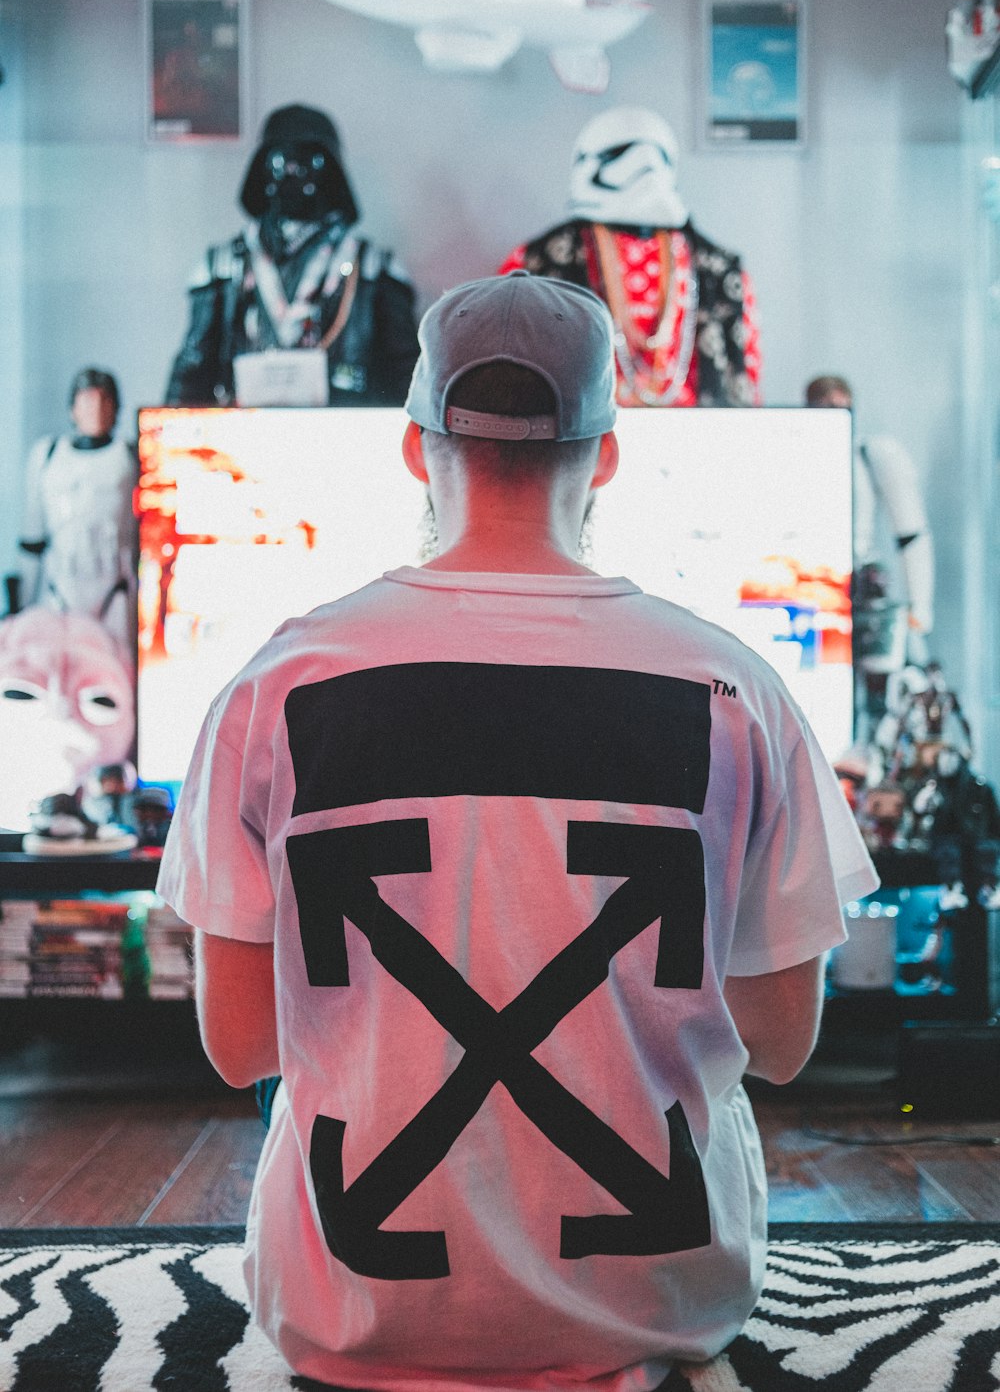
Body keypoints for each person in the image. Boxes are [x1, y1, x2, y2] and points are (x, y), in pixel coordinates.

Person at [157, 271, 876, 1389]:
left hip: (348, 1313)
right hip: (655, 1305)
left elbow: (238, 1045)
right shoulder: (733, 687)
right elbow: (784, 1044)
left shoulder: (278, 685)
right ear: (609, 451)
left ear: (412, 444)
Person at [499, 106, 761, 407]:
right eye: (623, 156)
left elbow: (746, 380)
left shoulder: (719, 271)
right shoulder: (534, 265)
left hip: (697, 441)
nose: (642, 167)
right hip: (581, 444)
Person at [165, 103, 419, 407]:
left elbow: (407, 380)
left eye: (310, 161)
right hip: (241, 439)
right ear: (262, 172)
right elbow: (193, 372)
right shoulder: (222, 267)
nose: (294, 172)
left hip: (342, 441)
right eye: (282, 160)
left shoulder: (375, 270)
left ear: (333, 174)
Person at [804, 375, 935, 730]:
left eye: (839, 406)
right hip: (813, 589)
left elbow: (910, 533)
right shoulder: (797, 454)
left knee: (883, 699)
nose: (831, 414)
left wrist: (919, 610)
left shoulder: (869, 453)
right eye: (823, 407)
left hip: (865, 590)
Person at [19, 367, 139, 652]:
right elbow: (32, 538)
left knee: (114, 672)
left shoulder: (129, 457)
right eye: (86, 401)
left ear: (115, 408)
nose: (94, 410)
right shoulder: (48, 456)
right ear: (73, 408)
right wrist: (21, 606)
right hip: (59, 590)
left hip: (115, 591)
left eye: (103, 402)